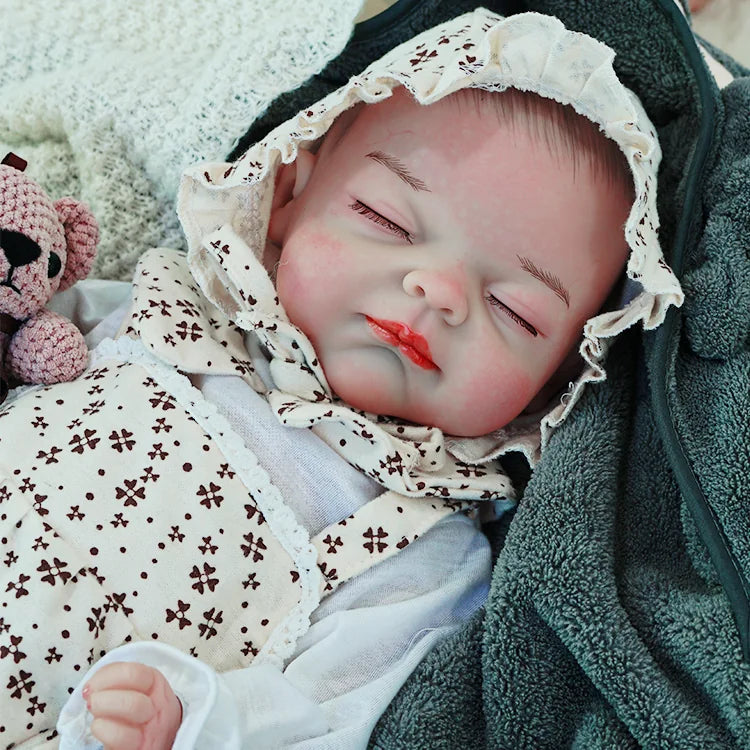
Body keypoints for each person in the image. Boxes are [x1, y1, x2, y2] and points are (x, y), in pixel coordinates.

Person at [0, 10, 682, 750]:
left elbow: (326, 719)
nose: (437, 290)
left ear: (559, 384)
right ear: (289, 191)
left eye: (513, 310)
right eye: (385, 218)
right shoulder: (158, 307)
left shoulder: (421, 552)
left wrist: (198, 719)